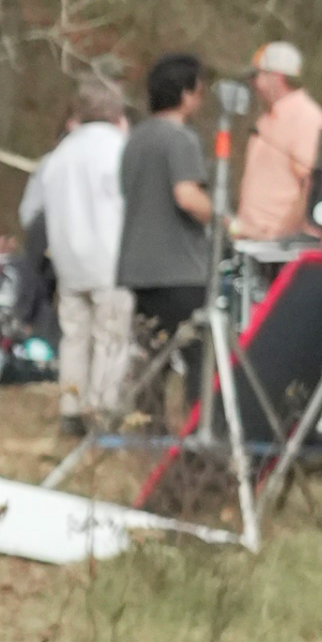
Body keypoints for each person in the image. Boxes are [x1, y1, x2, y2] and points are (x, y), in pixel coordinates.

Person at [20, 76, 130, 432]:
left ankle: (71, 407)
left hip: (69, 259)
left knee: (74, 336)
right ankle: (102, 408)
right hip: (109, 256)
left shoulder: (60, 155)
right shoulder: (118, 149)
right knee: (111, 337)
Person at [115, 51, 215, 402]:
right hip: (180, 269)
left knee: (151, 359)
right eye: (200, 92)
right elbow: (187, 195)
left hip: (139, 268)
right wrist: (221, 218)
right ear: (186, 94)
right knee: (198, 357)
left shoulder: (135, 140)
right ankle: (199, 435)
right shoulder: (180, 139)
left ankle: (148, 434)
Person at [233, 40, 322, 246]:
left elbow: (311, 184)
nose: (252, 83)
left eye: (256, 75)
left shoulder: (306, 117)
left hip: (281, 246)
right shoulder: (266, 119)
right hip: (253, 241)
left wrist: (282, 238)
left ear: (276, 77)